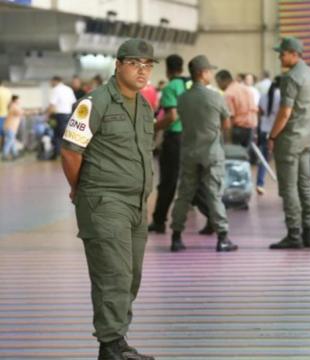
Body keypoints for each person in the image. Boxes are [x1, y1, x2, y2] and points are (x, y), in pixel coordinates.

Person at [60, 38, 157, 360]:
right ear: (118, 65)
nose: (142, 71)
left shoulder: (143, 106)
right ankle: (111, 344)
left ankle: (117, 340)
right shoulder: (94, 102)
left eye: (147, 65)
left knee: (130, 276)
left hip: (135, 203)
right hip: (104, 200)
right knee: (113, 275)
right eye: (134, 64)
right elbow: (70, 152)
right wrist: (82, 189)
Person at [169, 55, 238, 253]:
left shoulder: (182, 98)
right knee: (214, 195)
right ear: (202, 73)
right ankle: (223, 237)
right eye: (209, 70)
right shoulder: (216, 97)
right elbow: (226, 124)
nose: (211, 74)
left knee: (183, 195)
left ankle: (176, 236)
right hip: (211, 153)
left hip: (189, 151)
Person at [148, 54, 212, 235]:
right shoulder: (190, 84)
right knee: (195, 180)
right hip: (194, 137)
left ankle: (159, 221)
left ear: (167, 70)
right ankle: (214, 218)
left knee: (168, 182)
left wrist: (153, 127)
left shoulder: (170, 87)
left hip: (175, 139)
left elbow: (172, 116)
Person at [268, 37, 310, 249]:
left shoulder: (290, 78)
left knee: (289, 188)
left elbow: (285, 113)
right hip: (308, 139)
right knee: (306, 184)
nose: (280, 57)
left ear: (293, 53)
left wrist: (272, 136)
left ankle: (293, 234)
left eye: (282, 53)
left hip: (290, 140)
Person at [215, 70, 258, 147]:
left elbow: (229, 117)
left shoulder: (228, 93)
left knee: (236, 156)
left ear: (224, 81)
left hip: (237, 130)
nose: (218, 86)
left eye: (218, 83)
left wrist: (227, 138)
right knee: (247, 156)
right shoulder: (246, 89)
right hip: (251, 128)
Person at [256, 76, 281, 195]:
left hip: (264, 130)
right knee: (281, 160)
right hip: (277, 132)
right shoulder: (281, 96)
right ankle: (283, 186)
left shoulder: (263, 96)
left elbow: (259, 113)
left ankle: (260, 184)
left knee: (264, 159)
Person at [48, 75, 76, 160]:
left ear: (55, 81)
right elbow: (74, 102)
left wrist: (47, 116)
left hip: (59, 116)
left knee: (57, 135)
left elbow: (52, 105)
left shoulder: (55, 89)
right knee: (68, 135)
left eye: (51, 82)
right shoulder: (69, 89)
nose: (51, 83)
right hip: (69, 115)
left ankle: (57, 154)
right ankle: (70, 154)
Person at [2, 95, 23, 161]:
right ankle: (4, 155)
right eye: (19, 99)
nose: (20, 101)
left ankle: (15, 154)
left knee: (12, 141)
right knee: (9, 141)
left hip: (10, 127)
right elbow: (21, 113)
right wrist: (35, 112)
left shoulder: (12, 106)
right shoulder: (14, 106)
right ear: (16, 100)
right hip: (10, 127)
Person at [0, 80, 12, 152]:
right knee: (5, 134)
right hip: (6, 116)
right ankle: (3, 150)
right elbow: (10, 105)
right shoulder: (8, 91)